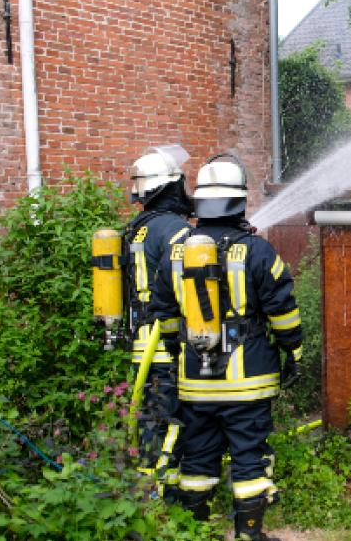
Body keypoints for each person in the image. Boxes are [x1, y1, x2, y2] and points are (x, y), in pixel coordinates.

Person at [149, 154, 303, 541]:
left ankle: (194, 532)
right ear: (239, 201)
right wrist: (293, 351)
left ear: (199, 203)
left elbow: (164, 316)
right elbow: (283, 310)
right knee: (249, 454)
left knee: (197, 455)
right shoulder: (257, 251)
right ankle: (250, 533)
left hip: (194, 383)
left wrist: (176, 353)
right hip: (247, 383)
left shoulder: (175, 253)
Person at [122, 145, 193, 498]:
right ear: (169, 187)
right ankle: (166, 491)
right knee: (177, 416)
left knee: (149, 419)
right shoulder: (176, 230)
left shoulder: (136, 230)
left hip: (141, 343)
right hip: (169, 343)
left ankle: (145, 483)